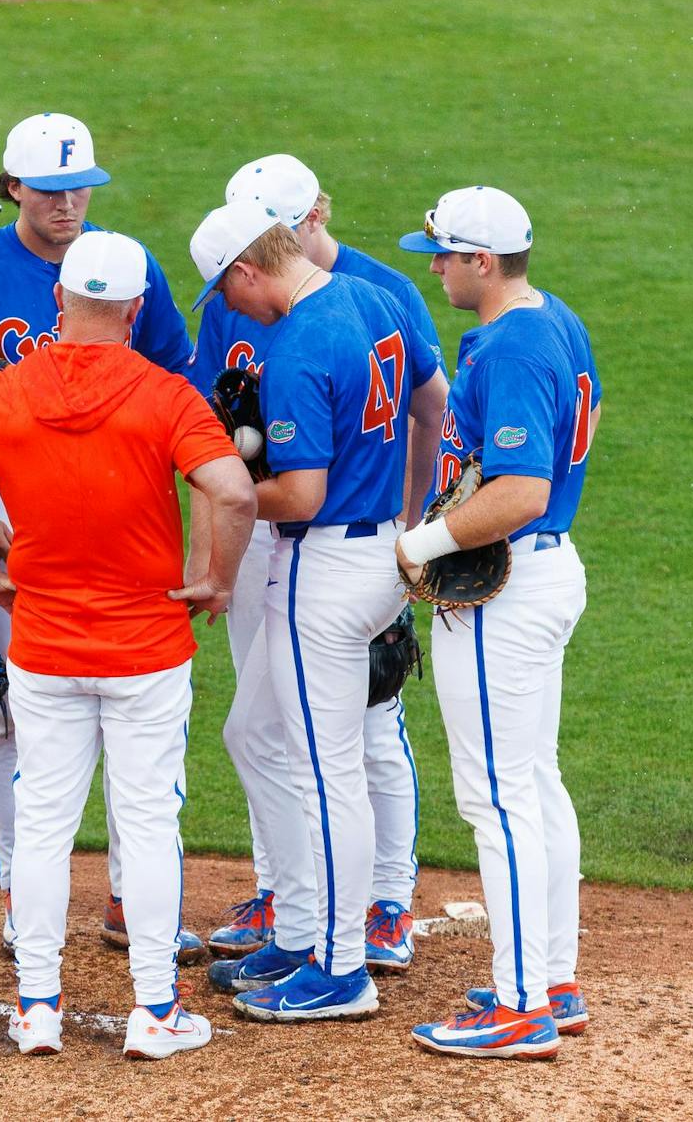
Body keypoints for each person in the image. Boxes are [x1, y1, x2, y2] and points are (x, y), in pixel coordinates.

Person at [0, 230, 255, 1060]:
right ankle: (156, 1011)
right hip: (146, 648)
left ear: (60, 302)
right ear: (136, 310)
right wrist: (217, 577)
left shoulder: (7, 393)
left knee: (42, 826)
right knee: (146, 824)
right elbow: (235, 490)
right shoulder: (164, 393)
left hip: (47, 645)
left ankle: (35, 1009)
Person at [0, 111, 206, 962]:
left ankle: (132, 901)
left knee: (136, 739)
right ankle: (25, 895)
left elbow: (173, 383)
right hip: (3, 505)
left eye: (81, 189)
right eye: (52, 191)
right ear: (13, 186)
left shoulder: (126, 268)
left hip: (112, 515)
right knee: (17, 715)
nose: (69, 205)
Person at [186, 200, 447, 1022]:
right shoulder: (372, 299)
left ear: (246, 270)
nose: (231, 311)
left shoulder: (298, 343)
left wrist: (225, 483)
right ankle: (300, 929)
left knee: (324, 769)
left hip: (325, 565)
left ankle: (340, 967)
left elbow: (299, 492)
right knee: (253, 732)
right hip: (375, 547)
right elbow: (419, 409)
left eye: (226, 292)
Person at [397, 185, 599, 1059]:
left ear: (483, 261)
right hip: (546, 577)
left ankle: (520, 1004)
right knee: (535, 783)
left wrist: (423, 542)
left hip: (507, 594)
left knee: (500, 797)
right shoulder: (554, 318)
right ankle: (552, 977)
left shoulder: (514, 346)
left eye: (442, 253)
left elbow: (522, 491)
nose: (433, 265)